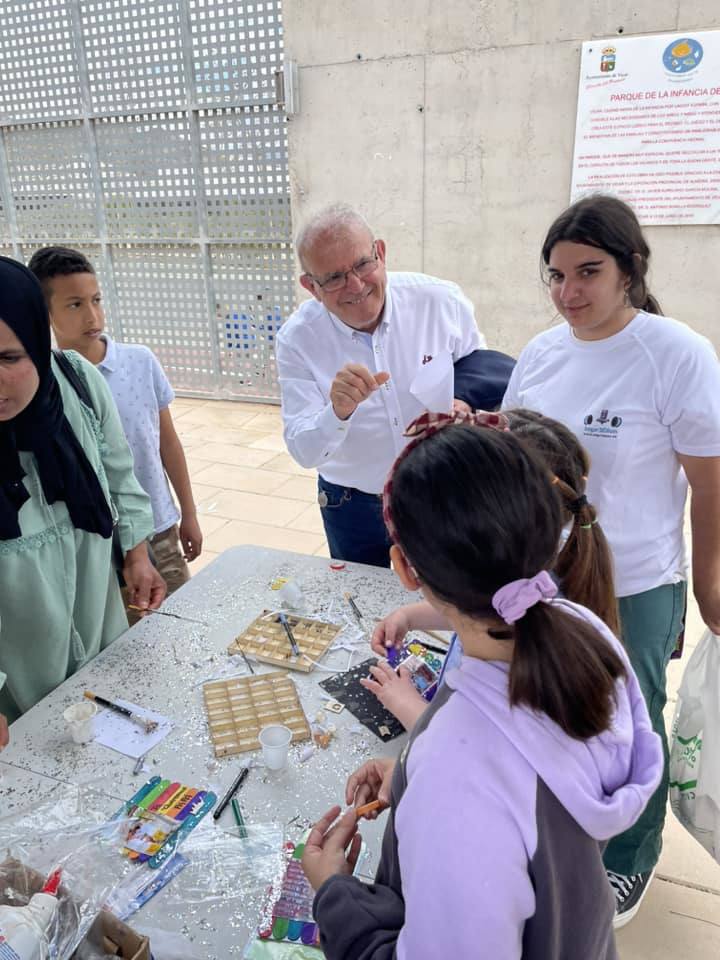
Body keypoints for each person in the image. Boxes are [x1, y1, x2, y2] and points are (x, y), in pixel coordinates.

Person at [299, 416, 663, 959]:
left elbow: (490, 785)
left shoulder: (457, 777)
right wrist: (411, 775)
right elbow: (535, 787)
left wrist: (334, 892)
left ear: (402, 567)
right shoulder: (583, 630)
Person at [502, 194, 720, 926]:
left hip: (638, 581)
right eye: (556, 276)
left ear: (630, 269)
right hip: (551, 575)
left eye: (587, 272)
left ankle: (631, 855)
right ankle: (567, 824)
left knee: (634, 722)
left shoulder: (676, 353)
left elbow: (709, 482)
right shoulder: (540, 354)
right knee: (561, 709)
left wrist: (709, 580)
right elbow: (515, 454)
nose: (568, 293)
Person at [366, 407, 619, 730]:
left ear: (404, 566)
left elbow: (465, 747)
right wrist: (411, 616)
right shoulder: (543, 587)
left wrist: (407, 706)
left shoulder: (507, 681)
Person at [0, 257, 165, 748]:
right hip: (17, 684)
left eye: (9, 359)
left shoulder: (76, 383)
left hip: (100, 634)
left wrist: (137, 554)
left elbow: (121, 477)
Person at [276, 203, 486, 567]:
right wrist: (336, 412)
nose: (355, 286)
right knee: (360, 601)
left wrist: (465, 403)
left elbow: (481, 372)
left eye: (362, 264)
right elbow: (304, 452)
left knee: (445, 595)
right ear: (311, 286)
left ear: (382, 253)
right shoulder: (298, 340)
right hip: (351, 503)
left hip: (439, 489)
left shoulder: (439, 302)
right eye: (334, 278)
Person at [28, 247, 202, 615]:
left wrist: (188, 513)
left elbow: (167, 444)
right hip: (99, 543)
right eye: (74, 305)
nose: (92, 315)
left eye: (96, 300)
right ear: (45, 313)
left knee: (180, 623)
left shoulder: (138, 361)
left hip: (159, 526)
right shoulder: (41, 383)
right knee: (125, 640)